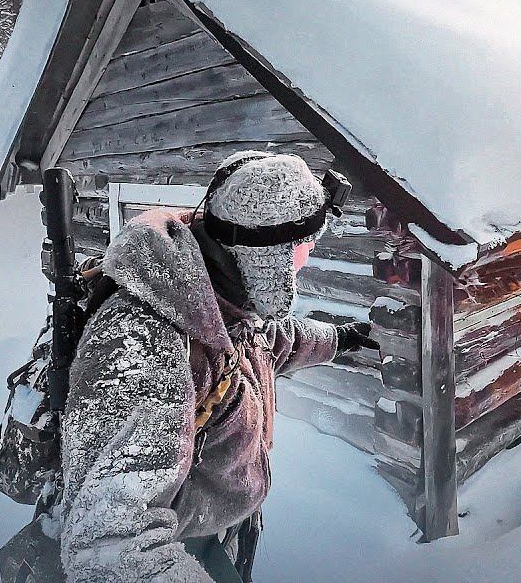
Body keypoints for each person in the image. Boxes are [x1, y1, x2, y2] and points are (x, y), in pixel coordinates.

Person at [57, 151, 374, 583]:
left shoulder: (221, 295)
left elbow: (269, 343)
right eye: (302, 248)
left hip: (226, 529)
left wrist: (340, 339)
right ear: (268, 259)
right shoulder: (142, 345)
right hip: (184, 550)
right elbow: (112, 548)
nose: (309, 258)